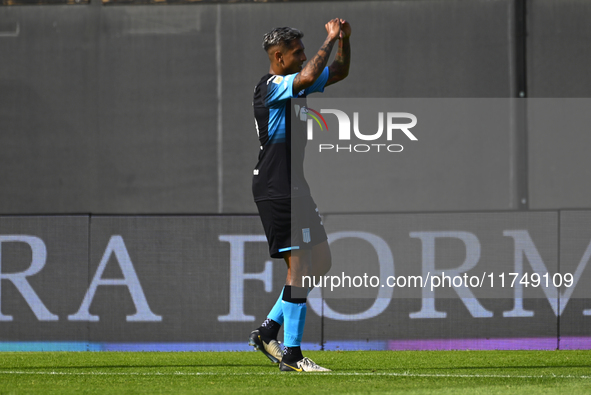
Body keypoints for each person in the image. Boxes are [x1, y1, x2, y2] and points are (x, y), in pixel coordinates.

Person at [248, 19, 351, 372]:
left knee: (320, 262)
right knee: (301, 267)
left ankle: (267, 331)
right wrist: (329, 36)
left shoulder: (296, 86)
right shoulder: (272, 85)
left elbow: (338, 71)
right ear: (279, 57)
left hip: (294, 185)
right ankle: (291, 355)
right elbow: (307, 76)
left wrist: (343, 42)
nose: (305, 57)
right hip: (277, 185)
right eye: (298, 53)